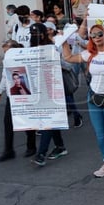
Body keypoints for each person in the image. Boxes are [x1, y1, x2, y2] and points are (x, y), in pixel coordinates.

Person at [62, 24, 104, 177]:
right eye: (93, 36)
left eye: (99, 34)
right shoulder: (89, 54)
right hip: (93, 96)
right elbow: (68, 58)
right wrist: (64, 42)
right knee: (100, 134)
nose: (96, 38)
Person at [29, 23, 69, 166]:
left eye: (37, 33)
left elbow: (66, 64)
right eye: (32, 34)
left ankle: (41, 154)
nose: (35, 36)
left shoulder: (53, 47)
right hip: (39, 89)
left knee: (47, 121)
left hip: (53, 88)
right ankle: (60, 146)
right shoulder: (30, 50)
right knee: (50, 121)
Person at [0, 40, 38, 162]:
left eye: (7, 51)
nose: (5, 54)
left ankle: (31, 146)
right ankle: (8, 150)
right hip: (11, 96)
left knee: (26, 121)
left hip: (23, 95)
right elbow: (5, 77)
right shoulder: (7, 60)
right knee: (8, 123)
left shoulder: (24, 59)